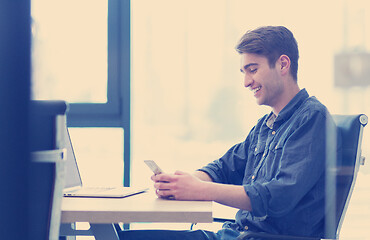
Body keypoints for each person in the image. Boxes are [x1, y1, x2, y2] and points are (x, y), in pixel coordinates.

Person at [118, 25, 338, 240]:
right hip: (236, 233)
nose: (246, 82)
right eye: (244, 72)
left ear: (282, 64)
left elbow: (277, 197)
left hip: (257, 237)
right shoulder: (266, 125)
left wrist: (200, 190)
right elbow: (224, 167)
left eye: (253, 70)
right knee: (118, 236)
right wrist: (181, 184)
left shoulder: (312, 118)